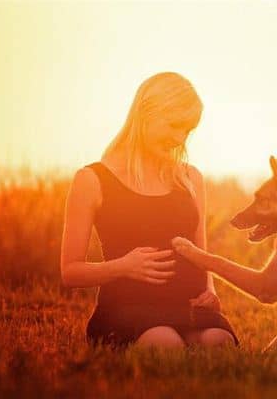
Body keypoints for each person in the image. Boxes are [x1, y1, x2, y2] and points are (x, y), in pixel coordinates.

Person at [60, 71, 239, 349]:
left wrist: (210, 290)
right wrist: (123, 267)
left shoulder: (191, 178)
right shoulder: (92, 180)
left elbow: (200, 253)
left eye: (188, 130)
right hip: (127, 310)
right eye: (174, 125)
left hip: (188, 308)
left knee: (219, 344)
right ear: (146, 114)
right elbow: (70, 271)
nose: (180, 138)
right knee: (166, 345)